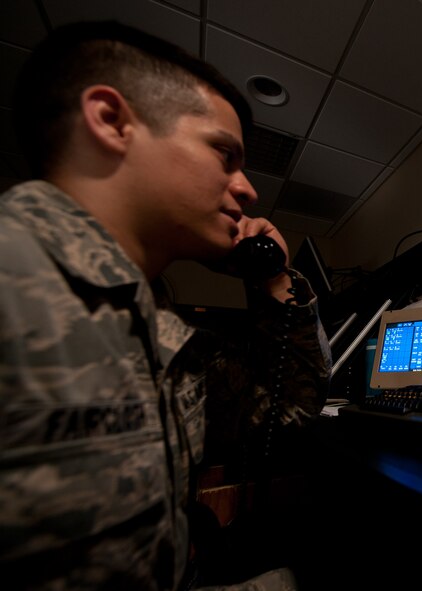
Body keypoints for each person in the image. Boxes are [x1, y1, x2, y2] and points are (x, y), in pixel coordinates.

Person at [0, 20, 331, 590]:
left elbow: (286, 416)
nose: (248, 189)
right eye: (224, 154)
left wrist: (272, 282)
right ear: (110, 121)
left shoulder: (156, 324)